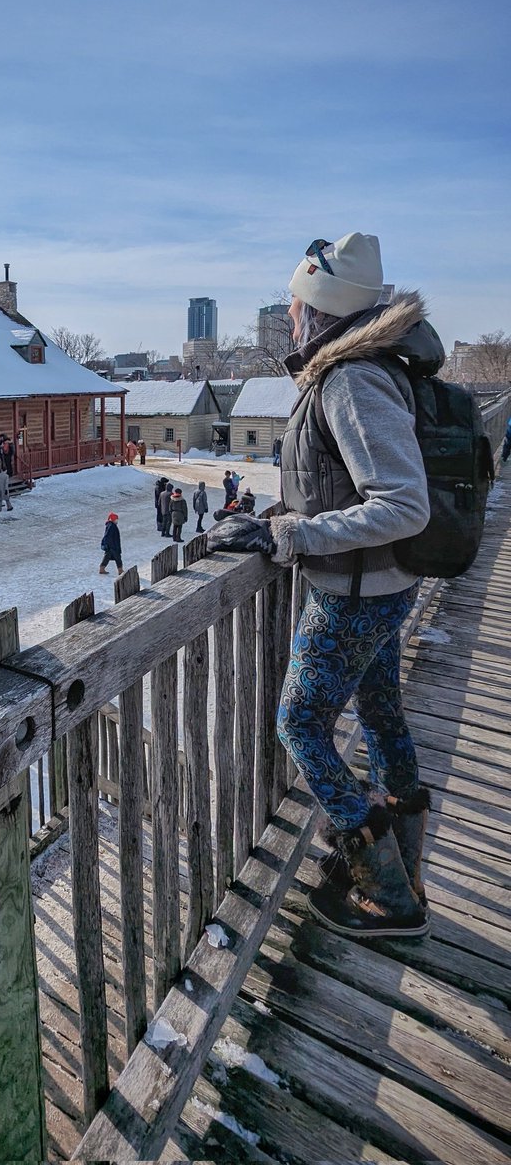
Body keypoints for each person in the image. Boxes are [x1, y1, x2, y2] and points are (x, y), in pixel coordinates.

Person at [268, 232, 435, 938]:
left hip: (356, 591)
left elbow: (403, 502)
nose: (289, 318)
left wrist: (299, 536)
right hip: (384, 583)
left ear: (317, 312)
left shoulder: (351, 378)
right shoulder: (365, 368)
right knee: (379, 710)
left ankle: (384, 890)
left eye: (295, 306)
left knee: (299, 723)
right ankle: (403, 859)